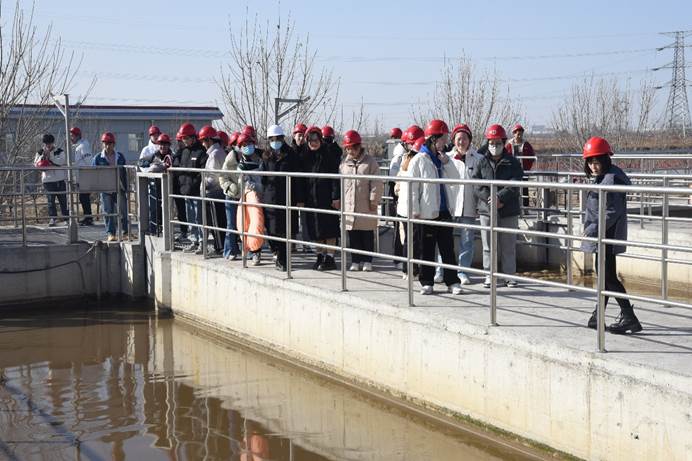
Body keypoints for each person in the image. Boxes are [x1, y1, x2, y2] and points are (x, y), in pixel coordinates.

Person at [581, 136, 642, 334]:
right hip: (602, 233)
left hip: (607, 233)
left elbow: (611, 212)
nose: (593, 166)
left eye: (597, 161)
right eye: (590, 162)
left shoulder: (612, 179)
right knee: (605, 276)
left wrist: (592, 228)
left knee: (608, 277)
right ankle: (597, 316)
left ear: (606, 160)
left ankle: (629, 318)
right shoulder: (605, 176)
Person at [408, 119, 462, 295]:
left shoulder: (443, 159)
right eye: (443, 138)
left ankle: (452, 281)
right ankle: (427, 282)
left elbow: (456, 179)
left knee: (448, 249)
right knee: (427, 250)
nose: (445, 142)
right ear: (433, 139)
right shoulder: (418, 160)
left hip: (444, 210)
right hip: (426, 213)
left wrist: (447, 163)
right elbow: (412, 188)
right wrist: (415, 209)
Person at [473, 124, 524, 288]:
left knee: (508, 245)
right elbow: (476, 184)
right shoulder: (481, 162)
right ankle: (489, 275)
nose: (495, 146)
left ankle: (509, 276)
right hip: (486, 211)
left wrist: (500, 197)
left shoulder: (512, 162)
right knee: (488, 246)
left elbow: (515, 183)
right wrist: (490, 199)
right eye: (492, 143)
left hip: (508, 210)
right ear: (487, 143)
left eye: (498, 143)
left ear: (503, 142)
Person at [260, 124, 305, 271]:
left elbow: (298, 178)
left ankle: (283, 259)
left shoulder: (291, 154)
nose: (275, 141)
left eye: (277, 139)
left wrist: (300, 198)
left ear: (282, 138)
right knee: (271, 229)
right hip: (270, 198)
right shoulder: (266, 156)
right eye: (272, 139)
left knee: (286, 230)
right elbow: (262, 178)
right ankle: (276, 253)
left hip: (287, 197)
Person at [340, 130, 383, 272]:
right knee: (353, 235)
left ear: (359, 146)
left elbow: (377, 183)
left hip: (366, 205)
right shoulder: (344, 164)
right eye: (348, 148)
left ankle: (367, 260)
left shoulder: (370, 162)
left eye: (353, 147)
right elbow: (340, 184)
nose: (350, 151)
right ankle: (355, 260)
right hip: (349, 205)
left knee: (367, 234)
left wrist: (373, 200)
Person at [446, 124, 483, 285]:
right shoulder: (446, 158)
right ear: (453, 140)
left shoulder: (478, 158)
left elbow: (481, 184)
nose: (462, 142)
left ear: (470, 140)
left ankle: (463, 272)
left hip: (469, 206)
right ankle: (442, 270)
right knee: (445, 240)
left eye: (465, 138)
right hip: (450, 205)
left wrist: (480, 204)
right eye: (458, 139)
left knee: (467, 241)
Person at [303, 126, 341, 270]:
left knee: (330, 229)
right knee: (316, 230)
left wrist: (336, 197)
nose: (313, 143)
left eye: (316, 140)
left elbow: (335, 178)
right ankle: (319, 255)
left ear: (321, 140)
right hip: (311, 199)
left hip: (327, 198)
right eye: (310, 140)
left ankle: (330, 257)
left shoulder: (328, 154)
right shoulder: (305, 156)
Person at [172, 123, 207, 253]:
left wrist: (195, 183)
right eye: (183, 138)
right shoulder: (184, 152)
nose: (184, 141)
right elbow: (178, 168)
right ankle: (194, 240)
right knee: (191, 217)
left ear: (193, 137)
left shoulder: (201, 152)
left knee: (199, 217)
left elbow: (202, 172)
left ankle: (202, 242)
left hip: (196, 191)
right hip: (186, 191)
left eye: (186, 138)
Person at [395, 136, 425, 279]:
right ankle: (413, 270)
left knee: (408, 240)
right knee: (415, 241)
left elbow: (397, 186)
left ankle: (407, 270)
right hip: (413, 208)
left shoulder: (405, 161)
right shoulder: (417, 163)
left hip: (403, 207)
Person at [92, 132, 128, 242]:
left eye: (110, 143)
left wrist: (126, 187)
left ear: (114, 144)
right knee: (108, 212)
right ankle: (111, 233)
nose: (108, 146)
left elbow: (124, 173)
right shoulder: (98, 158)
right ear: (103, 144)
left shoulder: (120, 156)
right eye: (106, 143)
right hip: (105, 189)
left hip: (119, 187)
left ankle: (125, 232)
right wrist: (97, 189)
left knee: (123, 210)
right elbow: (93, 174)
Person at [236, 133, 264, 265]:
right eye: (244, 145)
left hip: (264, 196)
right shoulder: (241, 164)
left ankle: (263, 251)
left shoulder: (261, 158)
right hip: (250, 197)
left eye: (249, 144)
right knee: (250, 223)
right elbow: (244, 182)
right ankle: (253, 251)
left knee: (261, 224)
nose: (248, 147)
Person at [198, 125, 227, 256]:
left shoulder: (215, 154)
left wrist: (204, 184)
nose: (203, 144)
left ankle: (220, 247)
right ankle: (219, 246)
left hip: (214, 193)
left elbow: (214, 176)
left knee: (217, 223)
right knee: (219, 221)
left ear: (209, 140)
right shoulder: (217, 152)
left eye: (203, 141)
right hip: (217, 193)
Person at [33, 134, 69, 227]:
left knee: (63, 200)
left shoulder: (59, 151)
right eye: (46, 143)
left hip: (60, 179)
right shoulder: (40, 152)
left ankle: (66, 218)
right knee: (50, 201)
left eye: (50, 143)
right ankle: (53, 218)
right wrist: (43, 157)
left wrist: (51, 157)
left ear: (53, 142)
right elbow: (36, 164)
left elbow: (61, 161)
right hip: (48, 180)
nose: (48, 145)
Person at [220, 135, 241, 260]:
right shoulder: (229, 159)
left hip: (245, 196)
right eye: (238, 144)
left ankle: (249, 251)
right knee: (231, 224)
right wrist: (230, 187)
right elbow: (222, 177)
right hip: (231, 196)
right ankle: (229, 251)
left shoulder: (250, 157)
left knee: (246, 224)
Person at [506, 124, 535, 207]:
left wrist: (527, 167)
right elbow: (505, 156)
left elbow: (532, 157)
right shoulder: (509, 145)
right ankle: (512, 207)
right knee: (512, 189)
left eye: (521, 134)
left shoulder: (526, 145)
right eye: (518, 134)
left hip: (523, 171)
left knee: (524, 189)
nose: (519, 136)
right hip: (511, 172)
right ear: (514, 134)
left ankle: (525, 208)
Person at [70, 127, 94, 226]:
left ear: (77, 136)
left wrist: (88, 175)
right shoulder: (80, 146)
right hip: (82, 176)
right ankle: (88, 217)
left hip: (85, 175)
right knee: (83, 198)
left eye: (72, 136)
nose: (71, 138)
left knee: (84, 198)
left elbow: (89, 161)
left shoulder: (83, 146)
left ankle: (88, 218)